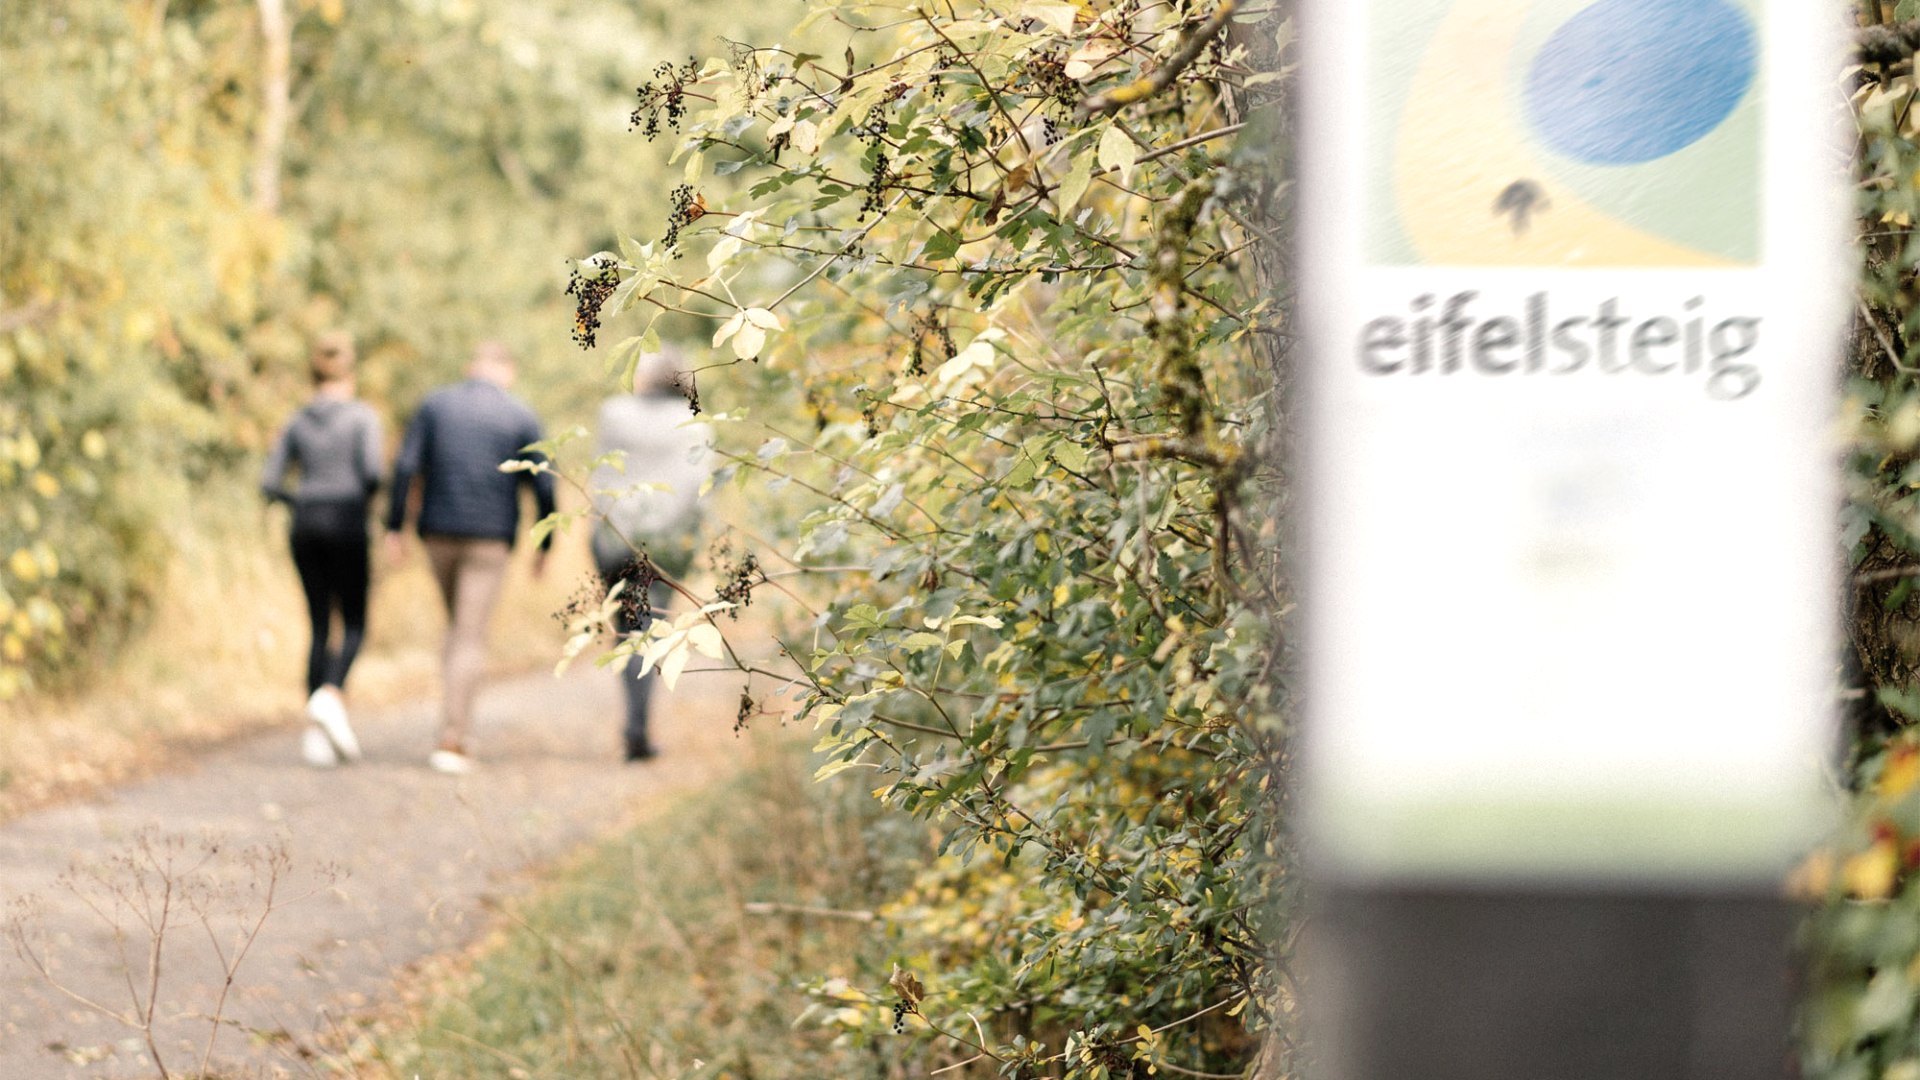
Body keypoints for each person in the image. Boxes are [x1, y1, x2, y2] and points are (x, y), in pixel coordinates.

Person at [385, 342, 557, 775]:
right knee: (468, 635)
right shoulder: (519, 414)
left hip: (437, 535)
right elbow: (544, 483)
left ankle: (454, 722)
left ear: (471, 367)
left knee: (458, 629)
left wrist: (394, 527)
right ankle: (453, 738)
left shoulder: (435, 406)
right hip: (489, 541)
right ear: (507, 371)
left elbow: (405, 467)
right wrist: (544, 545)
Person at [261, 330, 382, 768]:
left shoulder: (297, 421)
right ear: (350, 376)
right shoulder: (362, 417)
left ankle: (316, 737)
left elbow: (269, 482)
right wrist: (360, 502)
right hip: (347, 522)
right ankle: (330, 696)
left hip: (305, 525)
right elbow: (373, 472)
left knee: (317, 625)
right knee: (354, 623)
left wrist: (302, 500)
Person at [588, 348, 713, 762]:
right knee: (649, 628)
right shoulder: (695, 423)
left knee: (627, 629)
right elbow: (700, 489)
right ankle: (637, 726)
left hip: (615, 538)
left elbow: (600, 475)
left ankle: (635, 723)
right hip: (666, 544)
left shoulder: (614, 413)